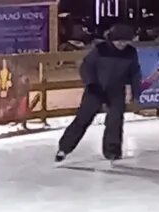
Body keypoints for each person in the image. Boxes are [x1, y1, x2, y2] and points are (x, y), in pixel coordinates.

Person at [57, 25, 142, 161]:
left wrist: (136, 93)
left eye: (125, 41)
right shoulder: (100, 49)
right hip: (96, 88)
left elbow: (135, 73)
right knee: (83, 118)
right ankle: (64, 148)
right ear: (112, 40)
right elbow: (86, 66)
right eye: (118, 41)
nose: (121, 44)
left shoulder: (130, 52)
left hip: (116, 90)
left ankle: (112, 152)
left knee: (115, 120)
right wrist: (91, 83)